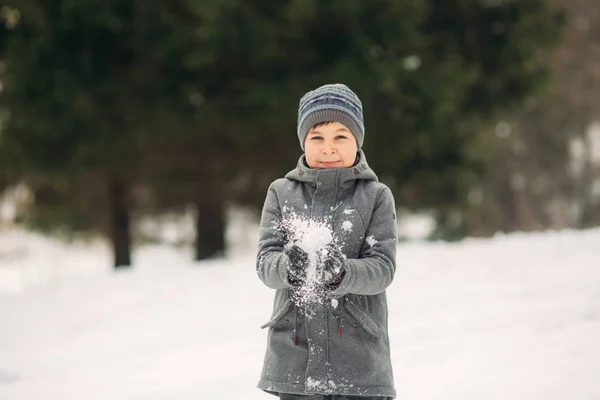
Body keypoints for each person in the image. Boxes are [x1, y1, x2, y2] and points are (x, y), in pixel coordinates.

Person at [256, 83, 398, 400]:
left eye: (340, 136)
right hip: (295, 355)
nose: (328, 147)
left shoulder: (376, 196)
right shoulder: (281, 192)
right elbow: (266, 262)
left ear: (357, 141)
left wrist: (343, 273)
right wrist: (287, 267)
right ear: (303, 141)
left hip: (359, 360)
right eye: (317, 137)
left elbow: (383, 267)